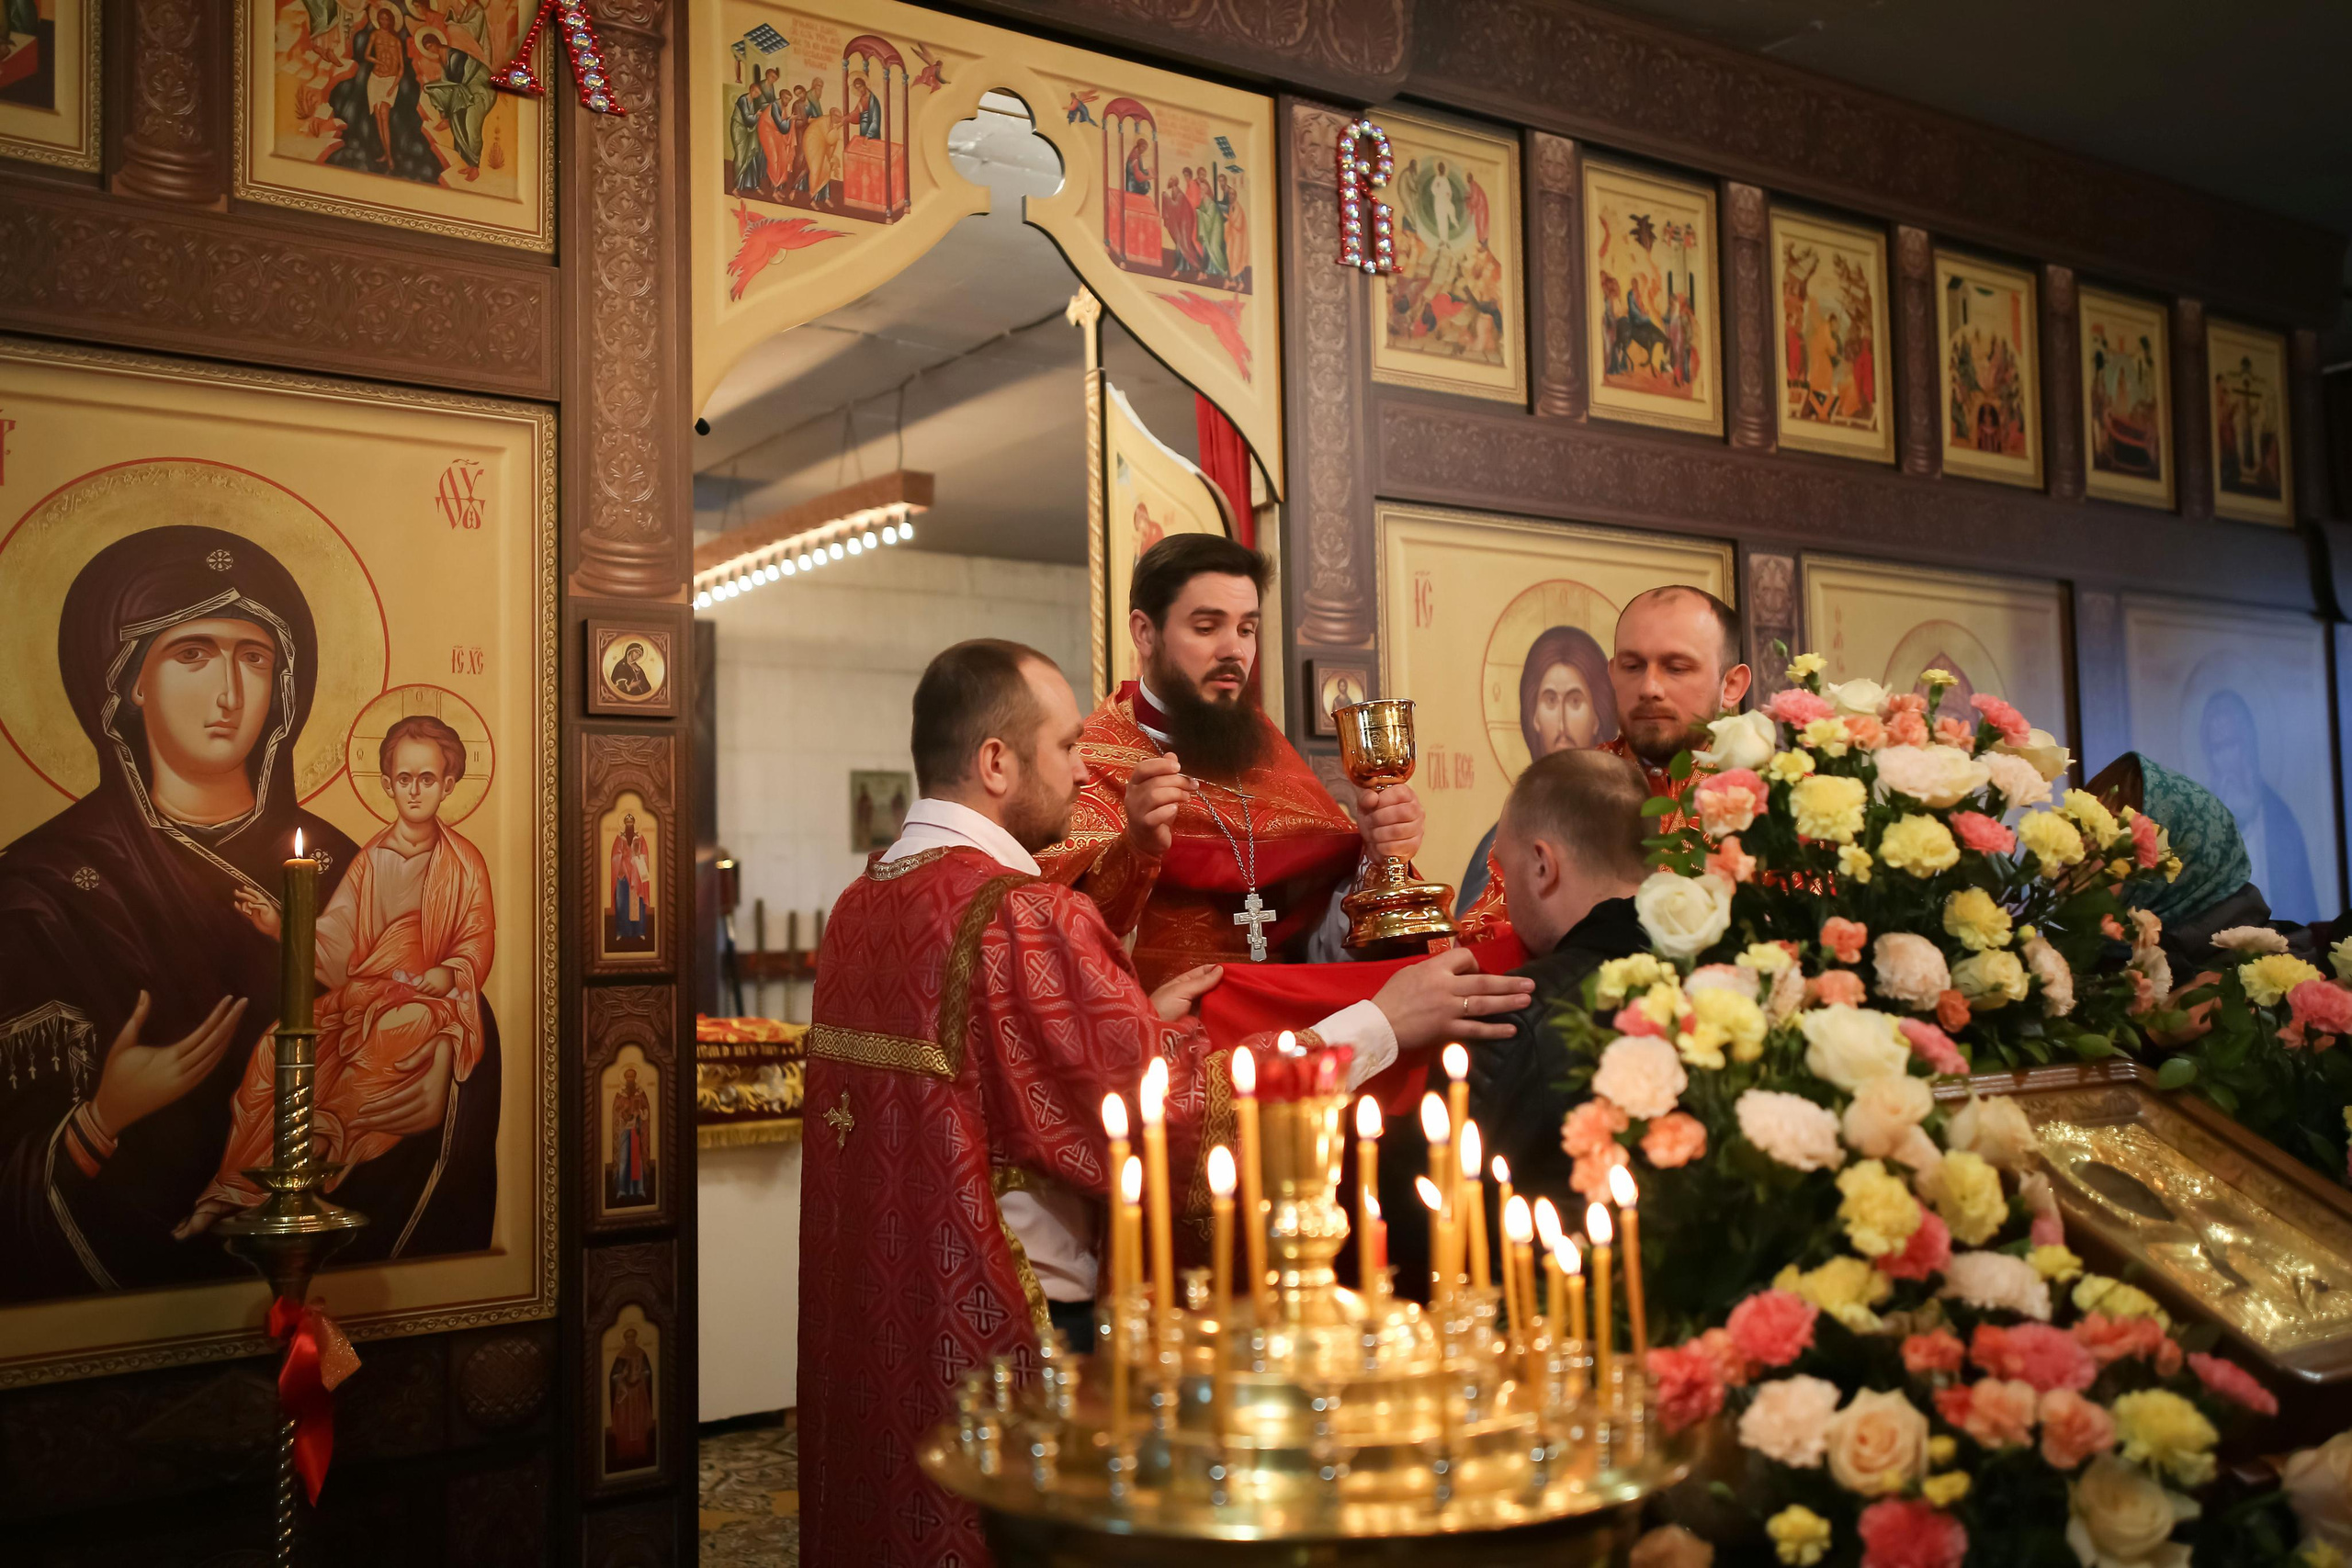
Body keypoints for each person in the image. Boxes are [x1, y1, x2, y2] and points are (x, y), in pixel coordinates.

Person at [797, 638, 1531, 1568]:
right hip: (1011, 1320)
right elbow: (1176, 1113)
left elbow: (995, 1084)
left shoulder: (863, 903)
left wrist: (1135, 1017)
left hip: (891, 1317)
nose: (1081, 774)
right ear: (994, 763)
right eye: (1066, 750)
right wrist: (1380, 1021)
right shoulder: (1022, 914)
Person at [0, 526, 509, 1298]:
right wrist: (102, 1115)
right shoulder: (42, 888)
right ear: (129, 681)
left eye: (254, 657)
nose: (230, 693)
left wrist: (446, 1078)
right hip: (127, 1305)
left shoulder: (346, 858)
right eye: (192, 654)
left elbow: (428, 982)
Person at [1037, 536, 1427, 991]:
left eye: (1246, 630)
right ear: (1145, 632)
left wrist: (1375, 859)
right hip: (1158, 1043)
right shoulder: (1086, 765)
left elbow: (1319, 935)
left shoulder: (1268, 754)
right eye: (1206, 628)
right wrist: (1135, 848)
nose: (1234, 651)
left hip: (1278, 1034)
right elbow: (1047, 946)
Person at [186, 714, 497, 1246]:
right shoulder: (371, 858)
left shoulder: (463, 862)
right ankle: (233, 1190)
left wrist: (451, 971)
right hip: (363, 993)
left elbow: (476, 939)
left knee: (389, 1039)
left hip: (427, 1002)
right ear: (387, 784)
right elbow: (338, 942)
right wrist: (282, 926)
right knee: (270, 1052)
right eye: (405, 779)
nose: (416, 791)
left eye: (428, 779)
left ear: (448, 784)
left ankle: (322, 1163)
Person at [1422, 750, 1651, 1291]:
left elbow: (1437, 1222)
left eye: (1503, 867)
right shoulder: (1730, 983)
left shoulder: (1507, 1020)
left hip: (1548, 1328)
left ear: (1543, 865)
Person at [1459, 585, 1748, 940]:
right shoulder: (1565, 790)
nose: (1649, 688)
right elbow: (1488, 935)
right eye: (1632, 666)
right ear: (1612, 674)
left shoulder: (1781, 799)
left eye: (1676, 667)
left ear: (1731, 684)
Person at [1456, 624, 1620, 910]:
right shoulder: (1501, 842)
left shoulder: (1625, 824)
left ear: (1597, 716)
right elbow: (1474, 936)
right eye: (1549, 700)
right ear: (1533, 716)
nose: (1561, 723)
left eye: (1575, 701)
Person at [610, 811, 653, 947]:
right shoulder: (619, 838)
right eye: (627, 823)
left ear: (634, 824)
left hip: (636, 875)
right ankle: (622, 931)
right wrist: (621, 859)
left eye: (631, 823)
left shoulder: (640, 838)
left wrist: (638, 858)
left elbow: (645, 855)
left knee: (637, 905)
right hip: (623, 876)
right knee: (622, 904)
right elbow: (614, 856)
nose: (629, 825)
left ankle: (638, 931)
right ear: (624, 824)